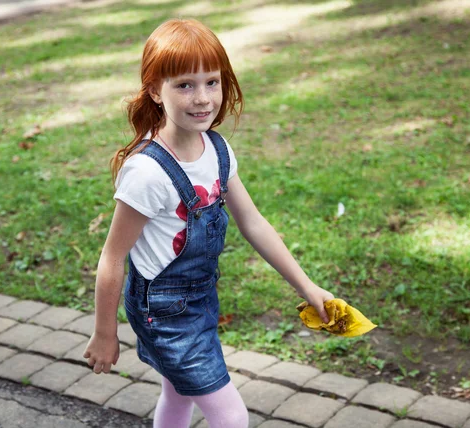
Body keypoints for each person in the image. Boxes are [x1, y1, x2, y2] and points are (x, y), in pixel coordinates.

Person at [83, 18, 334, 428]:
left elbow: (253, 223)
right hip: (161, 312)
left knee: (178, 395)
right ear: (154, 90)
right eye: (184, 85)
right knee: (232, 417)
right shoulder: (148, 172)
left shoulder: (216, 149)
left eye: (211, 82)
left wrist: (307, 287)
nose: (202, 98)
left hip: (197, 300)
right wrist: (105, 333)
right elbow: (112, 258)